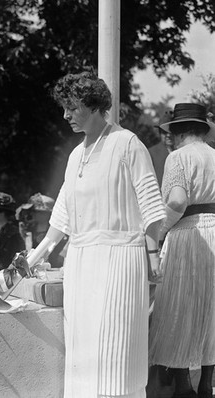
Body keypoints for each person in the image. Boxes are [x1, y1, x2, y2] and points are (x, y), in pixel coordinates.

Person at [19, 70, 165, 398]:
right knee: (85, 349)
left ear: (94, 105)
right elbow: (63, 216)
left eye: (72, 107)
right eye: (64, 107)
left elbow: (151, 207)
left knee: (115, 349)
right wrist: (35, 256)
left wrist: (152, 256)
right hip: (81, 263)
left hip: (119, 260)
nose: (65, 114)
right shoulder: (75, 155)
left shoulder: (127, 143)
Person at [149, 103, 215, 398]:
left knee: (178, 306)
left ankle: (184, 384)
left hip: (188, 233)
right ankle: (207, 382)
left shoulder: (177, 158)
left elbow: (176, 201)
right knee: (211, 308)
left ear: (177, 132)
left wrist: (159, 231)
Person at [16, 192, 68, 267]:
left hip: (52, 267)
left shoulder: (56, 231)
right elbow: (27, 249)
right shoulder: (31, 228)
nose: (33, 214)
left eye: (37, 212)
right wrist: (24, 236)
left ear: (47, 213)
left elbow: (60, 254)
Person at [148, 110, 175, 186]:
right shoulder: (151, 153)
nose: (168, 135)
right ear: (159, 133)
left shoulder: (183, 152)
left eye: (171, 132)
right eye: (164, 132)